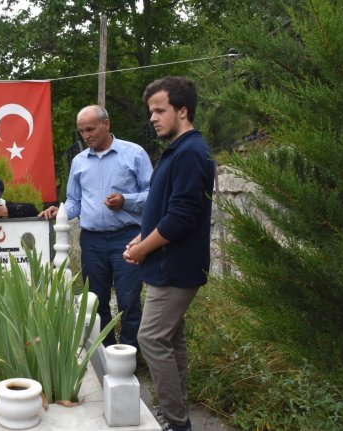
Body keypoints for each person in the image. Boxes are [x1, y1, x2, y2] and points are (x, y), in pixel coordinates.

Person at [123, 76, 215, 431]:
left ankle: (176, 422)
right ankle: (178, 416)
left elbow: (182, 217)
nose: (153, 118)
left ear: (183, 110)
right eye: (151, 112)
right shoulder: (180, 150)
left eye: (160, 110)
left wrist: (143, 248)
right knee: (171, 339)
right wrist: (141, 237)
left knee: (151, 338)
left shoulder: (191, 153)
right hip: (168, 263)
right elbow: (165, 209)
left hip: (175, 266)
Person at [39, 105, 152, 348]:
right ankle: (108, 352)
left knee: (128, 299)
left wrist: (126, 201)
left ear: (106, 124)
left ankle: (131, 355)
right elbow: (74, 201)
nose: (86, 135)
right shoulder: (79, 162)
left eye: (90, 129)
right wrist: (61, 212)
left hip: (128, 237)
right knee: (96, 301)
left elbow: (153, 194)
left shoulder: (134, 154)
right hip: (92, 241)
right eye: (81, 131)